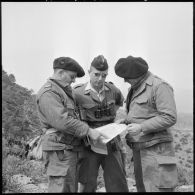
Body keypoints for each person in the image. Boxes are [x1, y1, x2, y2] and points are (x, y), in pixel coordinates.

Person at [36, 57, 107, 192]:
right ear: (60, 73)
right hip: (59, 149)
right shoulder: (49, 93)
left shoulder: (64, 91)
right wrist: (89, 131)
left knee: (70, 187)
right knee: (61, 188)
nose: (74, 80)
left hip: (69, 148)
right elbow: (62, 121)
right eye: (72, 76)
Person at [114, 55, 178, 192]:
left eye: (127, 77)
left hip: (156, 151)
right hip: (140, 150)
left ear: (138, 75)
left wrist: (141, 127)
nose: (125, 80)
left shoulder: (159, 86)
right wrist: (125, 122)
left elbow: (169, 117)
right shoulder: (135, 87)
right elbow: (143, 113)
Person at [73, 55, 129, 192]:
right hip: (89, 142)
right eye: (96, 74)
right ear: (89, 72)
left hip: (111, 141)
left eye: (104, 75)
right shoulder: (77, 92)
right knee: (87, 181)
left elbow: (118, 103)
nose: (100, 79)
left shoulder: (113, 90)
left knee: (117, 181)